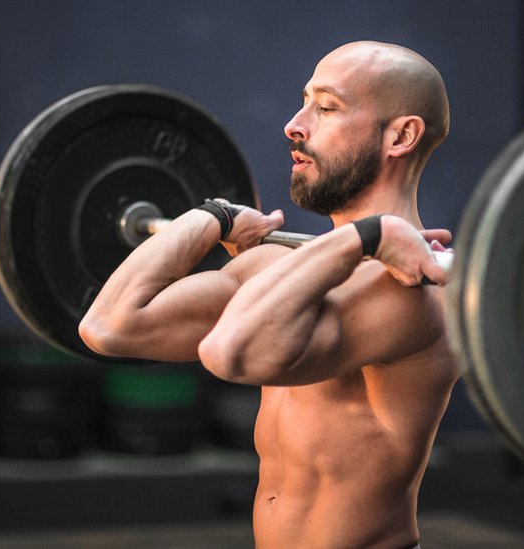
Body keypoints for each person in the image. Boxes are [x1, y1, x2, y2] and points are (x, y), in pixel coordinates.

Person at [80, 40, 460, 549]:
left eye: (327, 107)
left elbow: (233, 353)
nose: (294, 125)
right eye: (304, 102)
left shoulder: (413, 292)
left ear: (401, 136)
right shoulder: (281, 265)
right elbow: (109, 327)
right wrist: (210, 217)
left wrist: (364, 237)